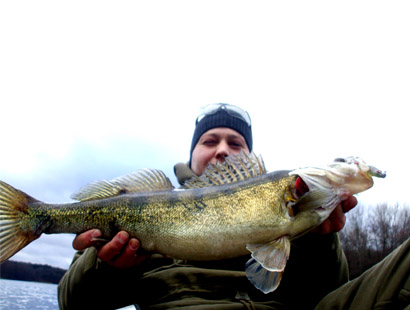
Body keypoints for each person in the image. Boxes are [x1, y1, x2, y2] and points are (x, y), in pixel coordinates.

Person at [58, 103, 409, 310]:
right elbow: (72, 304)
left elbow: (327, 296)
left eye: (235, 142)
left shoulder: (289, 206)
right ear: (192, 153)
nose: (222, 149)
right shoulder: (143, 205)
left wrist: (321, 242)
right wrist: (106, 267)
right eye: (210, 140)